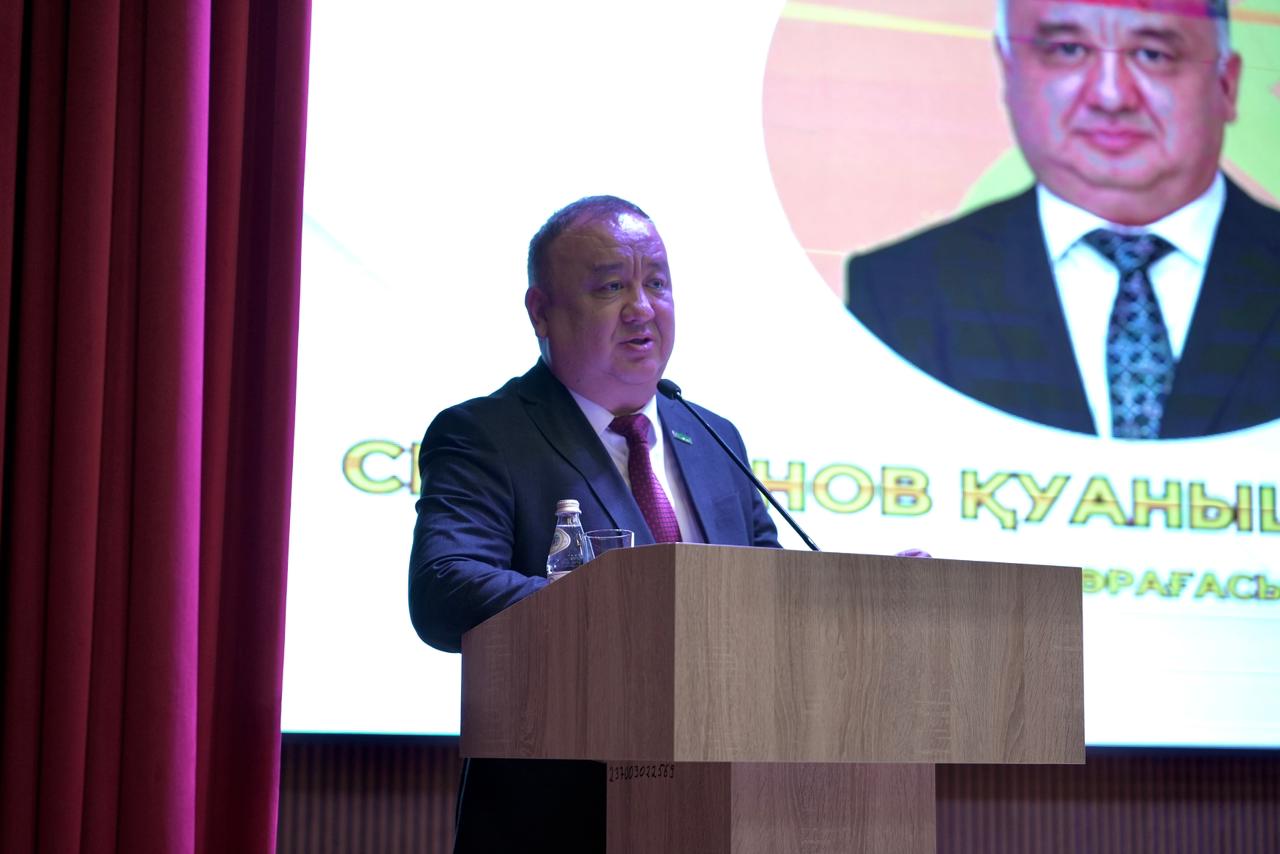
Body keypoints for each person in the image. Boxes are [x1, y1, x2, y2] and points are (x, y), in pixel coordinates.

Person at [408, 195, 780, 852]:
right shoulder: (486, 433)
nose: (642, 308)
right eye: (612, 287)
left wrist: (856, 600)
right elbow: (445, 590)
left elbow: (769, 595)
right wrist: (619, 607)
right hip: (559, 818)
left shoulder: (713, 437)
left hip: (725, 808)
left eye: (656, 283)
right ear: (541, 311)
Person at [846, 0, 1280, 440]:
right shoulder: (901, 290)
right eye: (1068, 50)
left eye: (1153, 54)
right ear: (1009, 70)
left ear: (1226, 83)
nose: (1111, 96)